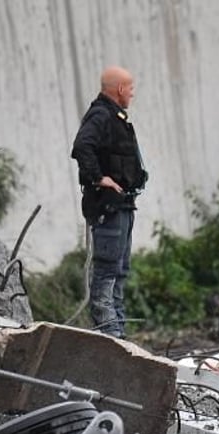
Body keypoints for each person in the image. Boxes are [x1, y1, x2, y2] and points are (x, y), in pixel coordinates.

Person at [71, 65, 148, 338]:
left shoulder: (115, 117)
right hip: (108, 207)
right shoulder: (100, 115)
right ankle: (110, 337)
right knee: (106, 274)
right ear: (119, 89)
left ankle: (119, 337)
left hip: (123, 205)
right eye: (131, 88)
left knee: (119, 272)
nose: (133, 93)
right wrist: (99, 178)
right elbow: (82, 146)